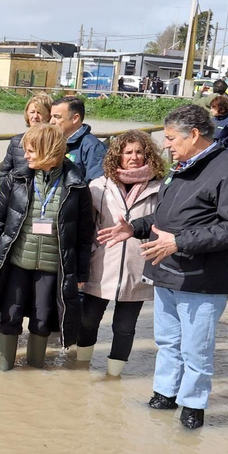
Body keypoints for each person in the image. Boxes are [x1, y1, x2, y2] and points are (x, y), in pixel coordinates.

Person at [97, 105, 228, 429]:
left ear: (194, 135)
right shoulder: (181, 166)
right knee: (168, 341)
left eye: (170, 138)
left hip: (202, 279)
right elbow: (167, 217)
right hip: (166, 271)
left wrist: (180, 242)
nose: (166, 144)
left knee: (196, 348)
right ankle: (164, 395)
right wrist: (135, 227)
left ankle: (193, 408)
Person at [0, 124, 93, 371]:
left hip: (52, 268)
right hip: (16, 263)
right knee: (9, 317)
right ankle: (5, 372)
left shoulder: (77, 185)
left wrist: (81, 273)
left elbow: (84, 235)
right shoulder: (16, 178)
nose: (25, 155)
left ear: (48, 150)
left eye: (30, 151)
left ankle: (35, 370)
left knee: (42, 321)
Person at [78, 130, 165, 376]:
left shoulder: (160, 188)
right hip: (101, 264)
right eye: (128, 152)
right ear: (117, 155)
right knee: (88, 321)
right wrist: (88, 257)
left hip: (138, 267)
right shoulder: (99, 186)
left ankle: (113, 377)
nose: (134, 157)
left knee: (124, 328)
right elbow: (86, 229)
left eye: (139, 152)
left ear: (148, 155)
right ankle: (80, 369)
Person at [0, 94, 53, 181]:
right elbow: (5, 172)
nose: (35, 116)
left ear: (49, 115)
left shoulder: (54, 141)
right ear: (27, 114)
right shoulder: (16, 141)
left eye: (39, 112)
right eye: (32, 112)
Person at [50, 96, 108, 180]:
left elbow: (97, 183)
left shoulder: (93, 147)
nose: (51, 122)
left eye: (57, 117)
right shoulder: (52, 142)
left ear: (75, 118)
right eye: (51, 116)